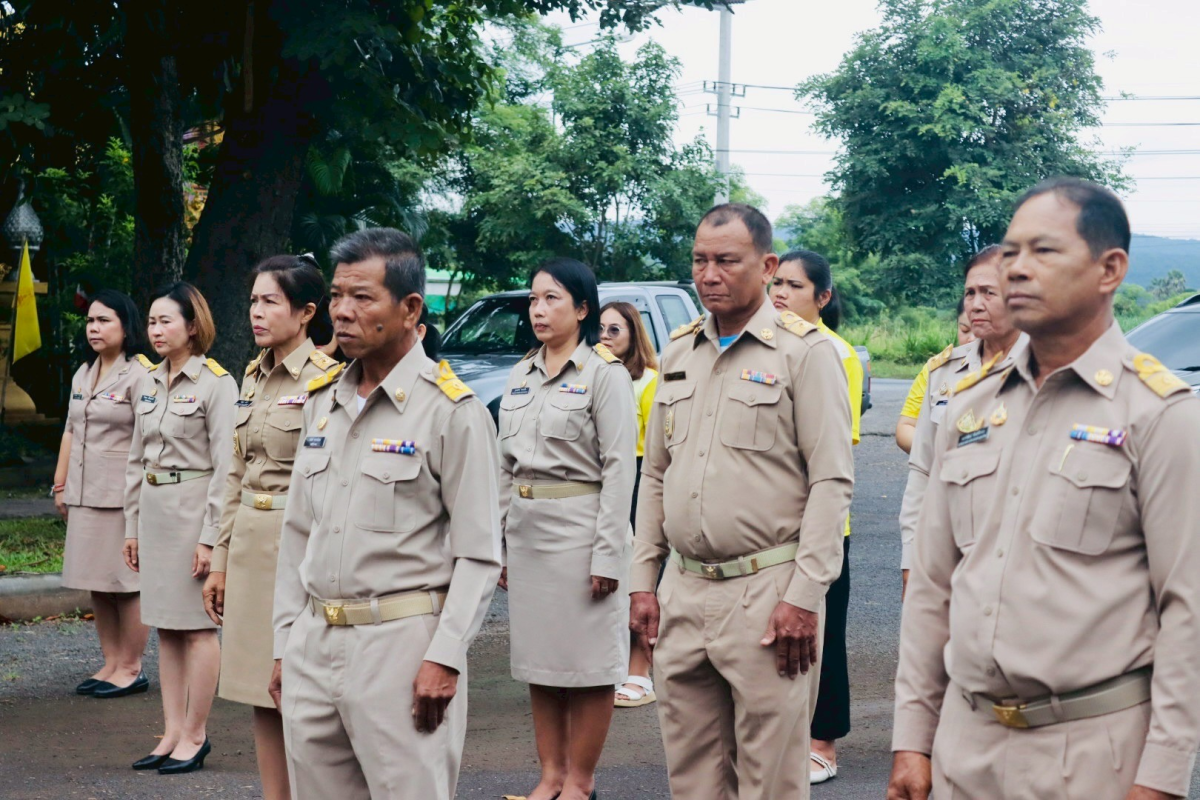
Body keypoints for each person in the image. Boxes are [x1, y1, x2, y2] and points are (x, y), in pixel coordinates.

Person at [888, 178, 1200, 800]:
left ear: (1110, 269)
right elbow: (932, 590)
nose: (1017, 271)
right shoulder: (968, 409)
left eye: (1044, 252)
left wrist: (1161, 777)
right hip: (964, 744)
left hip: (1091, 754)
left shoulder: (1160, 413)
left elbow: (1187, 610)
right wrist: (912, 740)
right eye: (1010, 252)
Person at [630, 204, 854, 799]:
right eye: (700, 260)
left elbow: (831, 481)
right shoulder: (677, 352)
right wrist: (642, 582)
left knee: (771, 780)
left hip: (767, 594)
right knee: (693, 777)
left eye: (727, 260)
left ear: (767, 265)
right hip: (683, 589)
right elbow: (655, 474)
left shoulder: (805, 354)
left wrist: (804, 596)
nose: (710, 274)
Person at [270, 228, 502, 800]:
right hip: (314, 643)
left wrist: (445, 657)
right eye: (336, 296)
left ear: (409, 308)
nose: (342, 313)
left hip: (401, 649)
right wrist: (285, 644)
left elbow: (478, 555)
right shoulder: (322, 405)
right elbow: (298, 533)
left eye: (363, 298)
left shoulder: (453, 412)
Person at [201, 255, 340, 800]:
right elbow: (234, 473)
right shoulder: (252, 374)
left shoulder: (329, 381)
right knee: (261, 688)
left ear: (306, 312)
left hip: (301, 544)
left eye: (270, 302)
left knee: (302, 688)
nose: (256, 312)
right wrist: (218, 560)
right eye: (253, 300)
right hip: (252, 546)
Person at [497, 259, 636, 800]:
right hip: (530, 534)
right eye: (534, 299)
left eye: (552, 298)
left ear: (582, 309)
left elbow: (621, 469)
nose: (538, 309)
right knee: (541, 663)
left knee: (590, 666)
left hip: (582, 534)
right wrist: (499, 544)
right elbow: (504, 466)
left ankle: (580, 782)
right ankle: (549, 776)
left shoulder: (605, 375)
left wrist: (608, 556)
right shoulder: (520, 374)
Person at [123, 282, 236, 774]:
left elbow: (227, 467)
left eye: (166, 321)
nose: (156, 330)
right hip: (154, 511)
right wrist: (130, 527)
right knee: (165, 629)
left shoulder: (216, 383)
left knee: (197, 630)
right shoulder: (145, 381)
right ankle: (170, 732)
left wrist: (211, 537)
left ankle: (196, 733)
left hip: (194, 512)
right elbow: (133, 460)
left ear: (193, 326)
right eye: (151, 322)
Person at [767, 249, 862, 785]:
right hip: (773, 528)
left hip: (822, 527)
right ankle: (787, 736)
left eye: (795, 286)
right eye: (776, 283)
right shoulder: (773, 348)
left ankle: (823, 740)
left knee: (826, 635)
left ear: (822, 298)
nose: (780, 293)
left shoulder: (835, 354)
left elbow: (829, 454)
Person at [897, 246, 1026, 597]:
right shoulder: (945, 372)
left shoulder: (1046, 369)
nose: (975, 303)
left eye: (989, 292)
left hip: (1020, 565)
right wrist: (911, 559)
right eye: (970, 292)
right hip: (947, 559)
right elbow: (922, 471)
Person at [55, 289, 152, 699]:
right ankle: (111, 661)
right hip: (83, 490)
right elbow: (71, 430)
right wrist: (59, 484)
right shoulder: (83, 372)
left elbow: (150, 438)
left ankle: (132, 666)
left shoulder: (141, 373)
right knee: (96, 579)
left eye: (104, 320)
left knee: (125, 581)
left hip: (120, 493)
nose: (94, 328)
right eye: (90, 321)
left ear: (126, 327)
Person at [599, 301, 661, 710]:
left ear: (632, 335)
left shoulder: (649, 381)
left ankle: (642, 672)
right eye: (600, 329)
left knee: (641, 579)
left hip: (641, 477)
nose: (605, 336)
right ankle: (614, 667)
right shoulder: (594, 377)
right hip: (606, 481)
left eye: (614, 330)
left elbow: (658, 449)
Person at [895, 300, 974, 454]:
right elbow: (906, 427)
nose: (971, 339)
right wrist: (940, 454)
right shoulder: (936, 369)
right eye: (964, 330)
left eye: (980, 331)